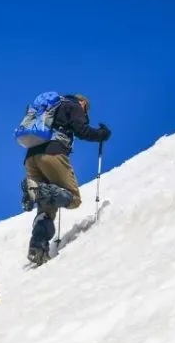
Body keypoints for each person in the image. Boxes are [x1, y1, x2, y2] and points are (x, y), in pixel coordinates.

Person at [20, 93, 111, 265]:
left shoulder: (49, 108)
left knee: (46, 208)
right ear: (83, 103)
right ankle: (38, 191)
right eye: (86, 111)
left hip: (31, 157)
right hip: (52, 153)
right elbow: (82, 130)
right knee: (73, 198)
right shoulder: (74, 105)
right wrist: (101, 134)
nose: (85, 114)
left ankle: (37, 249)